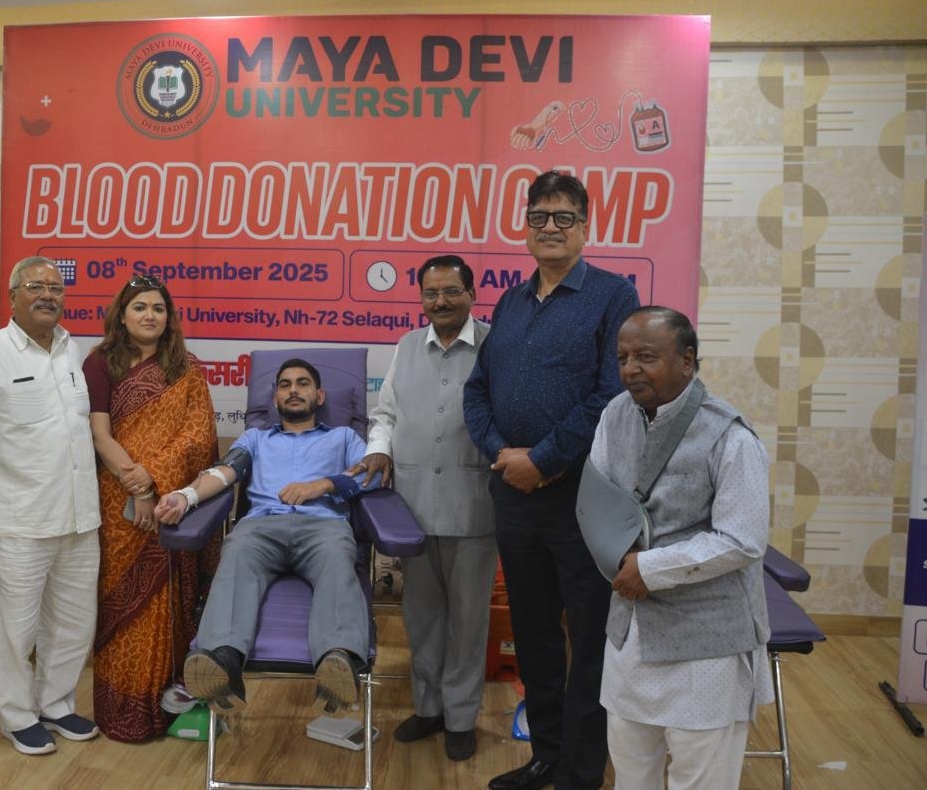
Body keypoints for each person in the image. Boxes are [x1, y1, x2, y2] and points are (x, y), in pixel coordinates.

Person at [463, 170, 639, 790]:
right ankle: (545, 756)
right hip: (514, 496)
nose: (551, 228)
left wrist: (543, 459)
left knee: (588, 639)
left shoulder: (614, 296)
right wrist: (501, 454)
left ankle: (581, 772)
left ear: (585, 226)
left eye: (564, 217)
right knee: (533, 634)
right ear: (526, 226)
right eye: (539, 217)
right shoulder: (511, 302)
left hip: (584, 498)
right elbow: (477, 391)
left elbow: (611, 395)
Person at [589, 307, 772, 789]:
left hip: (706, 644)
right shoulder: (614, 415)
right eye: (623, 358)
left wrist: (650, 568)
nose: (631, 369)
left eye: (646, 357)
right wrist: (617, 559)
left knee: (701, 778)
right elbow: (597, 503)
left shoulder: (730, 435)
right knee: (631, 774)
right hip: (630, 630)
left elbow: (743, 540)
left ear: (687, 361)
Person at [159, 358, 376, 717]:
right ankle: (222, 659)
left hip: (322, 528)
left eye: (303, 383)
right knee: (236, 550)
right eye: (285, 384)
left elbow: (373, 474)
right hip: (261, 528)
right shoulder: (256, 439)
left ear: (319, 396)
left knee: (339, 558)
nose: (293, 390)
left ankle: (338, 659)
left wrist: (323, 484)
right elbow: (225, 471)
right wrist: (187, 496)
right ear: (275, 398)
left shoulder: (343, 438)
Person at [0, 256, 101, 755]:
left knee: (74, 623)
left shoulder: (72, 349)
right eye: (35, 286)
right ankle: (18, 716)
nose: (47, 295)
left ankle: (56, 704)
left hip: (79, 517)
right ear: (12, 296)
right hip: (17, 521)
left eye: (56, 287)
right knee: (14, 630)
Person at [355, 254, 495, 762]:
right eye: (431, 293)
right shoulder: (407, 345)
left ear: (471, 294)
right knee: (422, 616)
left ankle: (460, 717)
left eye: (451, 291)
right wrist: (379, 449)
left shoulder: (495, 346)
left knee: (468, 621)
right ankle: (429, 708)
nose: (440, 301)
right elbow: (386, 414)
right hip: (413, 508)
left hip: (474, 504)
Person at [82, 273, 218, 741]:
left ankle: (167, 706)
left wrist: (154, 477)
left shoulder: (187, 369)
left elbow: (198, 437)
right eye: (139, 307)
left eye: (158, 308)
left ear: (169, 318)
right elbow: (98, 433)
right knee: (120, 601)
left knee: (167, 602)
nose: (150, 315)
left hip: (171, 502)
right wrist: (137, 485)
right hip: (116, 498)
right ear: (122, 315)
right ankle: (120, 708)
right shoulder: (100, 363)